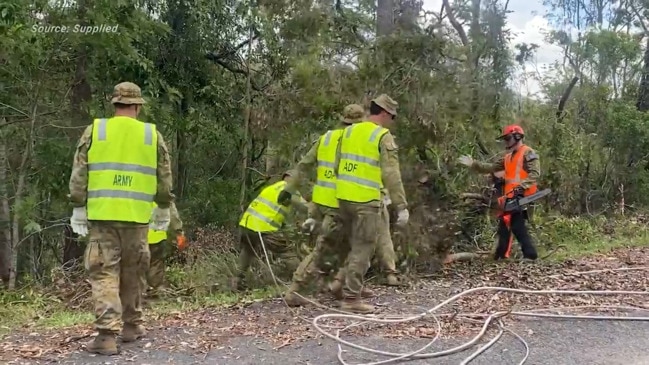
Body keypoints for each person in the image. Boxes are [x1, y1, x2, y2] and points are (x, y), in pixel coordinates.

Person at [68, 82, 174, 355]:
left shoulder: (96, 130)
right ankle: (132, 326)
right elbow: (164, 176)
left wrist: (78, 205)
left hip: (103, 217)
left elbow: (80, 171)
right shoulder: (152, 135)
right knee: (134, 271)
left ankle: (106, 336)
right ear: (138, 106)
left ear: (114, 104)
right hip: (138, 218)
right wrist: (163, 206)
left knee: (104, 272)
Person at [278, 104, 375, 306]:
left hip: (321, 201)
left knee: (350, 245)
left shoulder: (327, 138)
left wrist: (288, 189)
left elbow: (304, 165)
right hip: (338, 204)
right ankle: (295, 290)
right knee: (325, 249)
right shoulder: (356, 141)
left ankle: (340, 285)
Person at [332, 94, 409, 313]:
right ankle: (350, 298)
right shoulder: (382, 136)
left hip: (344, 197)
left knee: (353, 246)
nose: (391, 121)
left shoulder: (348, 132)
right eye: (392, 117)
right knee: (364, 248)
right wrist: (401, 205)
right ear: (384, 113)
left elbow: (337, 166)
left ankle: (339, 283)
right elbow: (392, 174)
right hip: (366, 201)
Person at [458, 124, 540, 260]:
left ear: (517, 136)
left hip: (524, 194)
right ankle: (501, 254)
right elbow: (491, 167)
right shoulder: (507, 158)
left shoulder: (528, 152)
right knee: (505, 223)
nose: (506, 142)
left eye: (508, 138)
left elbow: (535, 173)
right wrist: (474, 164)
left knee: (516, 224)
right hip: (511, 196)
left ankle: (530, 254)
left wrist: (522, 186)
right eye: (505, 139)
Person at [234, 170, 309, 290]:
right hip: (265, 227)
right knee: (287, 253)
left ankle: (237, 281)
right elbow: (304, 207)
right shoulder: (290, 189)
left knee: (247, 251)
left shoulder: (271, 188)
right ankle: (301, 282)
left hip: (247, 224)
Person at [144, 201, 185, 297]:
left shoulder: (135, 192)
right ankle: (157, 289)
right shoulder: (163, 197)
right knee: (155, 266)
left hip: (136, 237)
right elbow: (173, 216)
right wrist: (179, 233)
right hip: (157, 237)